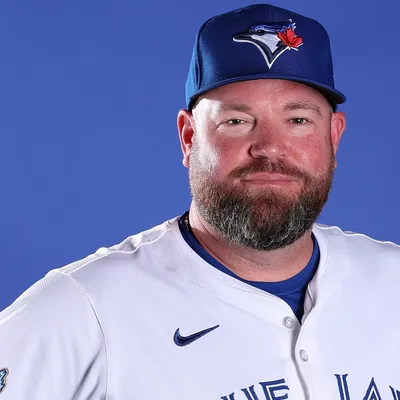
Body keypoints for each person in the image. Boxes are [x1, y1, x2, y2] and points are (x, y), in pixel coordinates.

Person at [1, 3, 399, 399]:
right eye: (236, 121)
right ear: (189, 138)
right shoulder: (82, 310)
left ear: (333, 137)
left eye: (298, 120)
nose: (269, 147)